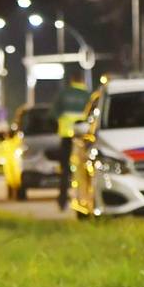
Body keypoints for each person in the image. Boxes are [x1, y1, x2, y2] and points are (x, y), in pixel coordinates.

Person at [50, 69, 91, 211]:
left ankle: (62, 200)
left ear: (72, 80)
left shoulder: (63, 94)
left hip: (66, 136)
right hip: (83, 138)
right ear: (82, 80)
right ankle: (83, 198)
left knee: (65, 170)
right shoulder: (88, 95)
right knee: (83, 169)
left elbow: (53, 114)